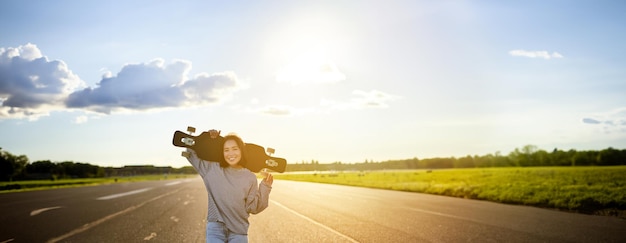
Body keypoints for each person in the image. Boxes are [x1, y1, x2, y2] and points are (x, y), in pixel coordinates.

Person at [185, 129, 273, 243]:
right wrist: (207, 137)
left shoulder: (250, 177)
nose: (231, 153)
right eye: (226, 150)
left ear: (241, 151)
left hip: (238, 231)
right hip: (215, 228)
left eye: (235, 149)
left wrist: (265, 187)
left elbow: (253, 208)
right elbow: (191, 154)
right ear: (222, 152)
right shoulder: (212, 169)